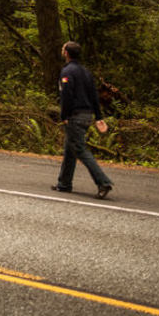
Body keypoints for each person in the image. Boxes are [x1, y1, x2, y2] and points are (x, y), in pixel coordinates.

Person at [51, 41, 114, 199]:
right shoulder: (86, 72)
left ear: (66, 53)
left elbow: (66, 95)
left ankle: (103, 182)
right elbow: (94, 95)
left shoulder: (67, 72)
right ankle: (64, 183)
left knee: (80, 149)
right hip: (87, 115)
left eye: (63, 48)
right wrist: (98, 116)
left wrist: (64, 115)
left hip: (75, 115)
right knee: (70, 148)